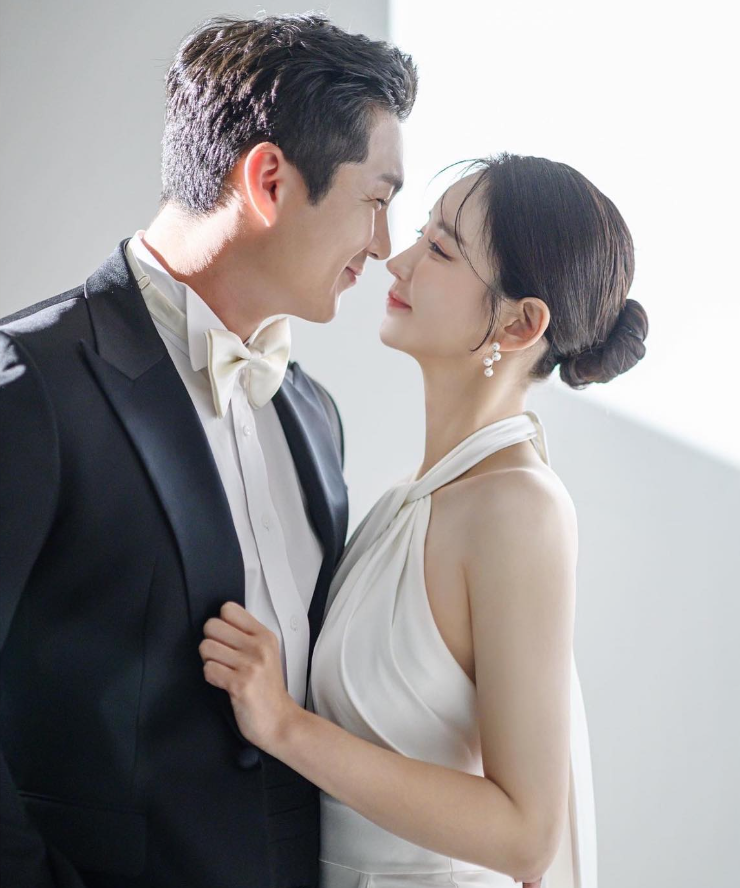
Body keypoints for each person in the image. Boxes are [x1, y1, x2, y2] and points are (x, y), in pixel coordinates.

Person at [0, 14, 416, 888]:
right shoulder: (33, 382)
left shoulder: (314, 413)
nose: (383, 246)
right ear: (268, 180)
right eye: (377, 201)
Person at [197, 154, 649, 887]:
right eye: (421, 235)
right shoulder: (407, 498)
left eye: (440, 249)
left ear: (521, 322)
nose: (396, 261)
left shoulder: (519, 510)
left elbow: (527, 836)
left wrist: (283, 724)